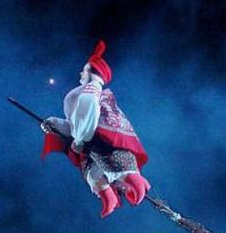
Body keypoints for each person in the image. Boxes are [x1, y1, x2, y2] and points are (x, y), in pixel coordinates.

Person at [40, 40, 151, 218]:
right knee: (92, 172)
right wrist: (54, 124)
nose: (80, 74)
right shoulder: (89, 92)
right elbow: (75, 125)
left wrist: (80, 140)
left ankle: (136, 184)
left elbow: (87, 116)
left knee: (115, 164)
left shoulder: (91, 91)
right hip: (90, 143)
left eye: (83, 70)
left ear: (92, 70)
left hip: (99, 141)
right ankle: (109, 197)